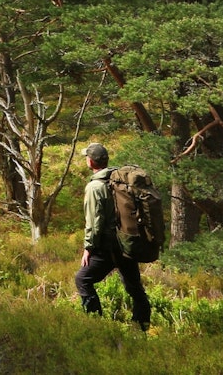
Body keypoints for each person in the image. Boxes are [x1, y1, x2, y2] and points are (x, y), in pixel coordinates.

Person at [75, 142, 151, 331]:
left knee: (82, 279)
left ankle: (95, 325)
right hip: (127, 241)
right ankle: (141, 325)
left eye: (87, 157)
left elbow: (94, 222)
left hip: (108, 247)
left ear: (91, 162)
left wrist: (88, 248)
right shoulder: (118, 180)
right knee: (134, 287)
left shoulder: (94, 187)